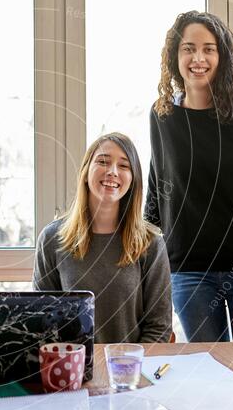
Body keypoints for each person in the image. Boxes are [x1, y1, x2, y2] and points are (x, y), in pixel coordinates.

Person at [145, 10, 233, 347]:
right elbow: (156, 194)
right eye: (188, 48)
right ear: (174, 56)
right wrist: (145, 272)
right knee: (211, 384)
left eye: (209, 48)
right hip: (190, 273)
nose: (198, 58)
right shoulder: (163, 115)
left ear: (222, 56)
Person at [33, 132, 172, 343]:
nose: (113, 172)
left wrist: (128, 368)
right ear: (86, 172)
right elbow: (42, 321)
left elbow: (159, 326)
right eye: (103, 161)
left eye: (124, 166)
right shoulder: (51, 238)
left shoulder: (151, 243)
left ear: (133, 180)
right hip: (72, 370)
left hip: (130, 370)